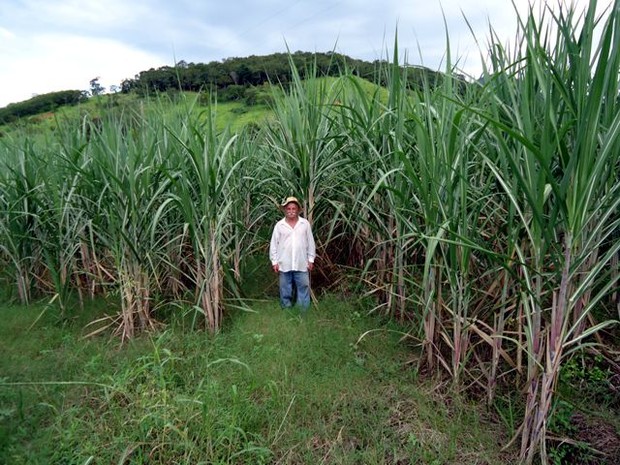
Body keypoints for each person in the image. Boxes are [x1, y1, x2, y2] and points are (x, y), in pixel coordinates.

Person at [269, 196, 316, 310]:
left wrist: (311, 259)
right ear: (285, 210)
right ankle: (286, 308)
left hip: (301, 262)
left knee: (303, 286)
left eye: (293, 209)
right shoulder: (279, 225)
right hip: (284, 263)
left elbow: (310, 242)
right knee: (285, 287)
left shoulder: (304, 224)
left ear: (298, 210)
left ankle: (303, 309)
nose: (291, 211)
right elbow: (274, 244)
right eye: (288, 209)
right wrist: (274, 261)